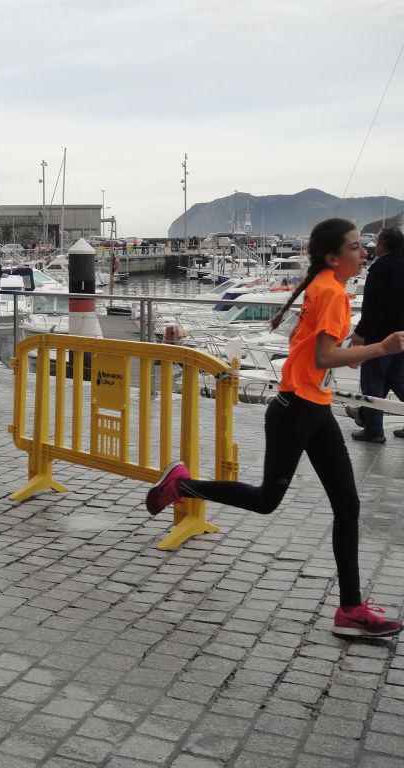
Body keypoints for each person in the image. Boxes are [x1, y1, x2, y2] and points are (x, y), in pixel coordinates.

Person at [146, 218, 404, 639]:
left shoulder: (326, 285)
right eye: (356, 247)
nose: (364, 253)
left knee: (348, 505)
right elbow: (322, 357)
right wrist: (381, 348)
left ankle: (350, 610)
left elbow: (312, 350)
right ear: (333, 257)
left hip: (314, 407)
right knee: (267, 500)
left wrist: (353, 349)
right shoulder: (331, 292)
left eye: (363, 246)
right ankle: (181, 485)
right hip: (295, 411)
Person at [351, 227, 404, 442]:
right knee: (399, 379)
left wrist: (360, 332)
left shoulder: (380, 267)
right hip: (402, 337)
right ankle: (368, 420)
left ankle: (374, 430)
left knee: (372, 383)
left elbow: (373, 305)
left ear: (382, 244)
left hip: (380, 337)